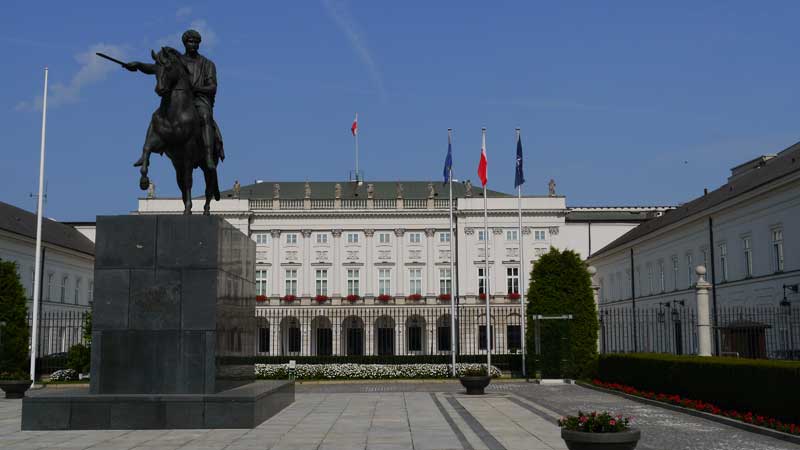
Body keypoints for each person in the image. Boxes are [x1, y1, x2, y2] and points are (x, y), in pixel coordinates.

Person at [124, 29, 222, 170]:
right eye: (190, 41)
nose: (193, 44)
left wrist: (196, 89)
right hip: (177, 101)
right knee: (156, 116)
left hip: (198, 100)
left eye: (196, 42)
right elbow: (156, 68)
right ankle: (145, 152)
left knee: (205, 116)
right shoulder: (176, 61)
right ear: (184, 43)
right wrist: (138, 65)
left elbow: (212, 86)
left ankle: (207, 155)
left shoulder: (208, 64)